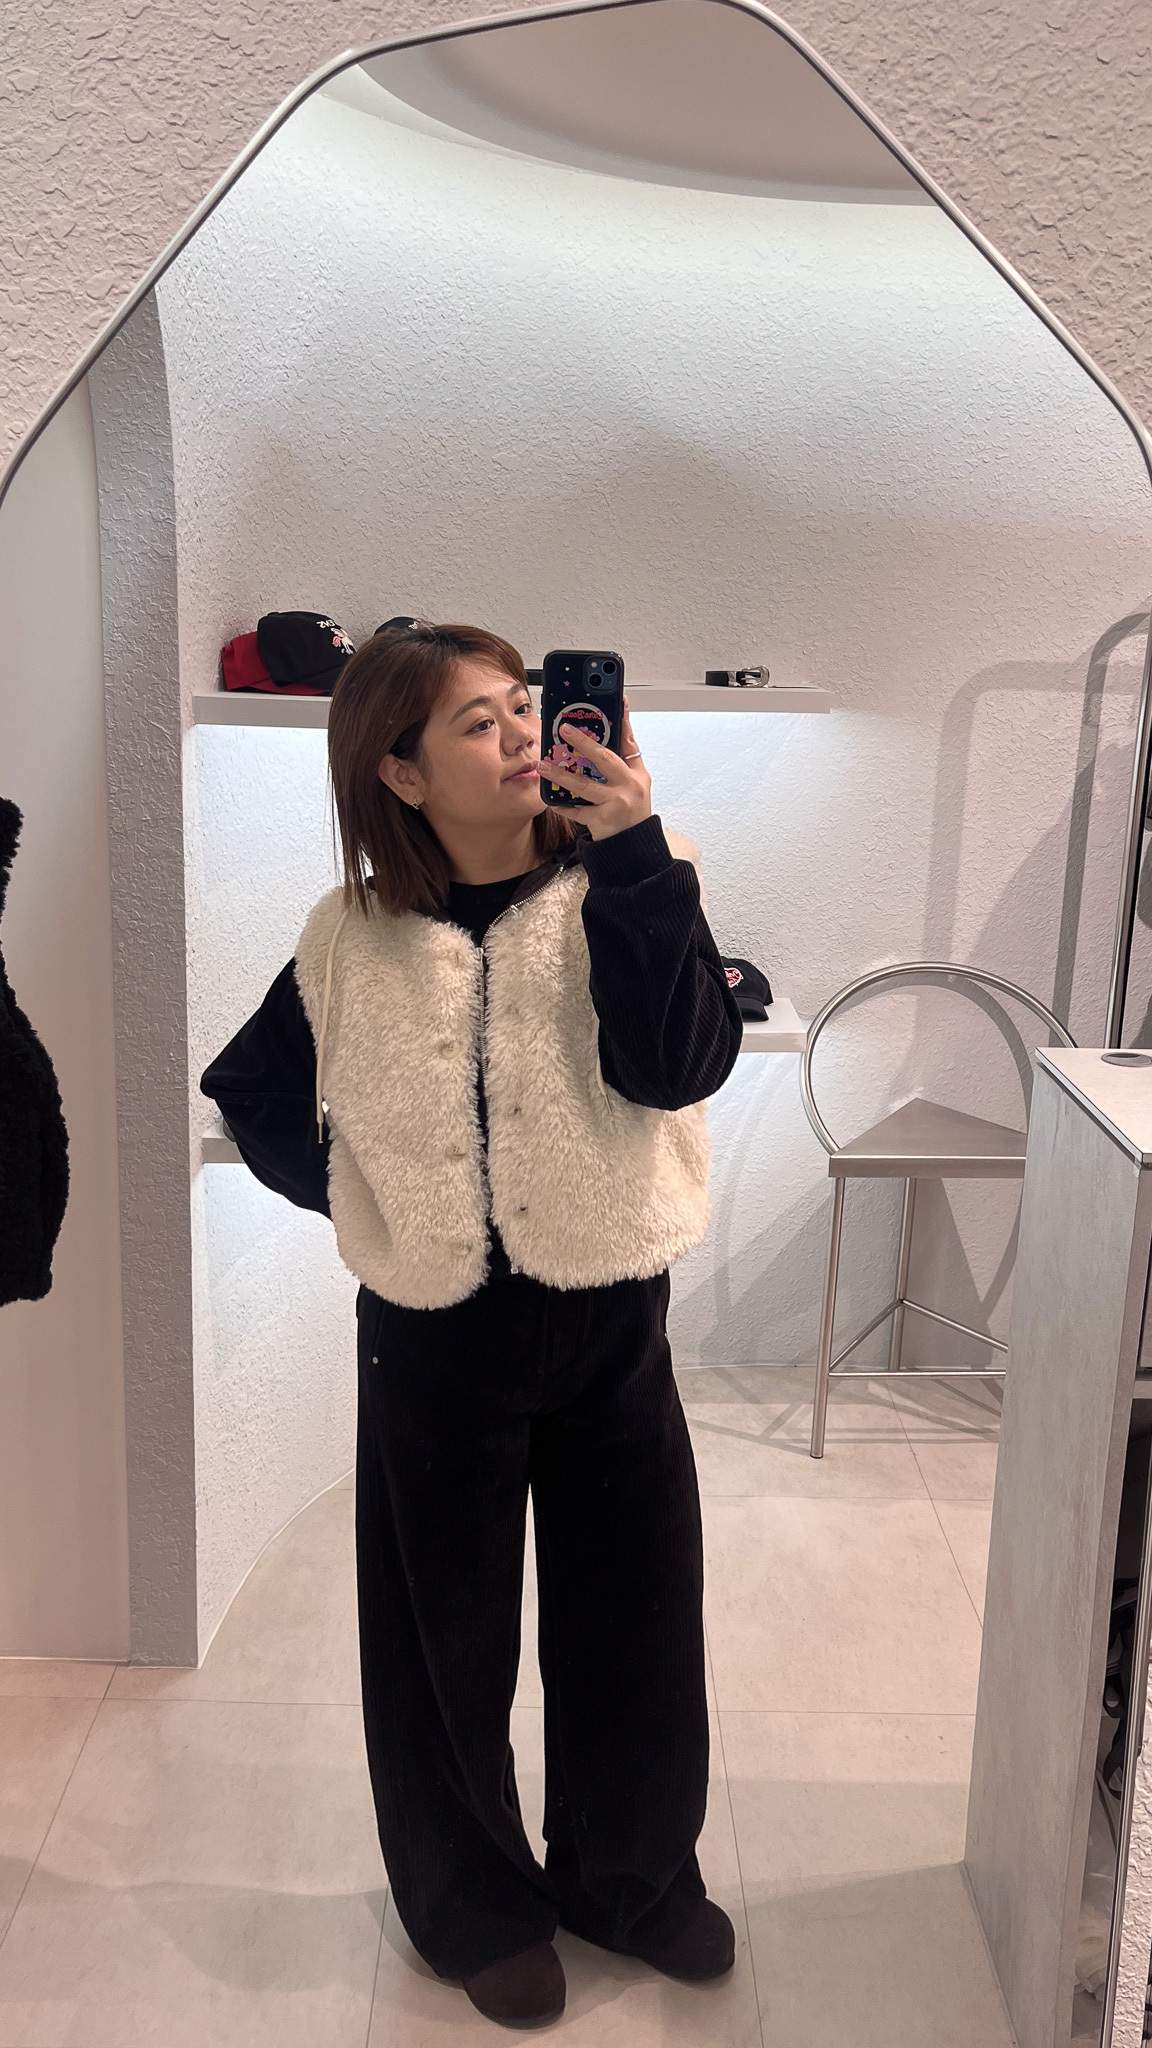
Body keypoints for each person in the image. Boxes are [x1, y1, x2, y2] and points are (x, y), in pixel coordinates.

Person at [200, 622, 743, 2028]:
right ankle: (473, 1905)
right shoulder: (351, 936)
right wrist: (365, 1196)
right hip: (433, 1333)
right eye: (480, 723)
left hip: (610, 1314)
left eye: (525, 707)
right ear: (400, 770)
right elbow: (251, 1086)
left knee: (637, 1619)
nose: (524, 737)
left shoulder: (636, 878)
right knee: (438, 1641)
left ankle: (633, 1883)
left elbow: (681, 1064)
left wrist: (636, 856)